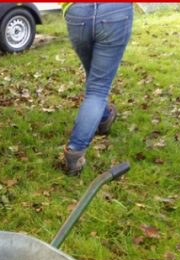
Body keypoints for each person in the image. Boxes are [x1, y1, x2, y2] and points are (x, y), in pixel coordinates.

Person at [61, 3, 134, 175]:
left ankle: (105, 117)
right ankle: (75, 151)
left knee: (94, 79)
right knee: (98, 89)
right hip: (115, 12)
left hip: (77, 12)